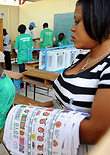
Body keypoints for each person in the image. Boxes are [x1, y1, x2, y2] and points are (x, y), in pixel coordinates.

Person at [40, 0, 110, 145]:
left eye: (77, 21)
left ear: (100, 20)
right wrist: (43, 108)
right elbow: (64, 105)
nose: (72, 28)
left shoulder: (107, 67)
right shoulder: (81, 57)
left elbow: (96, 133)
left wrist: (41, 119)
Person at [14, 24, 34, 89]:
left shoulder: (18, 38)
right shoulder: (29, 36)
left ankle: (22, 86)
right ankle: (28, 83)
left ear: (19, 30)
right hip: (28, 57)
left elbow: (16, 49)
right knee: (28, 71)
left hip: (21, 57)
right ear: (25, 30)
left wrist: (20, 54)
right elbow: (32, 47)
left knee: (21, 72)